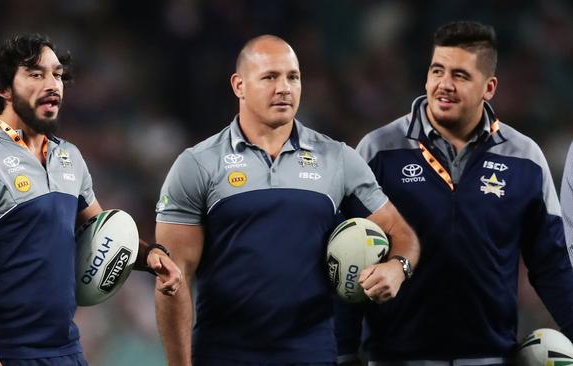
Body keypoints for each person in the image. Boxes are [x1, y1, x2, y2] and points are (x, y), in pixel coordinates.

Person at [153, 34, 420, 365]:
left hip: (311, 355)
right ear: (239, 85)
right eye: (270, 77)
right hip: (224, 356)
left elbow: (401, 233)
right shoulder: (198, 164)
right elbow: (173, 280)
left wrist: (398, 267)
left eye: (292, 77)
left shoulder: (338, 159)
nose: (284, 88)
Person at [0, 34, 182, 366]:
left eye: (57, 74)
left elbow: (101, 230)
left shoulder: (68, 157)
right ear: (3, 88)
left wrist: (150, 256)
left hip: (64, 351)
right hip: (2, 354)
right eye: (37, 74)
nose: (52, 84)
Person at [336, 21, 573, 364]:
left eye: (460, 75)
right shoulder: (378, 151)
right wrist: (344, 352)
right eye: (437, 70)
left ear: (488, 87)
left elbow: (551, 265)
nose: (444, 85)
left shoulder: (525, 158)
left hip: (490, 359)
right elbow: (347, 261)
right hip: (396, 358)